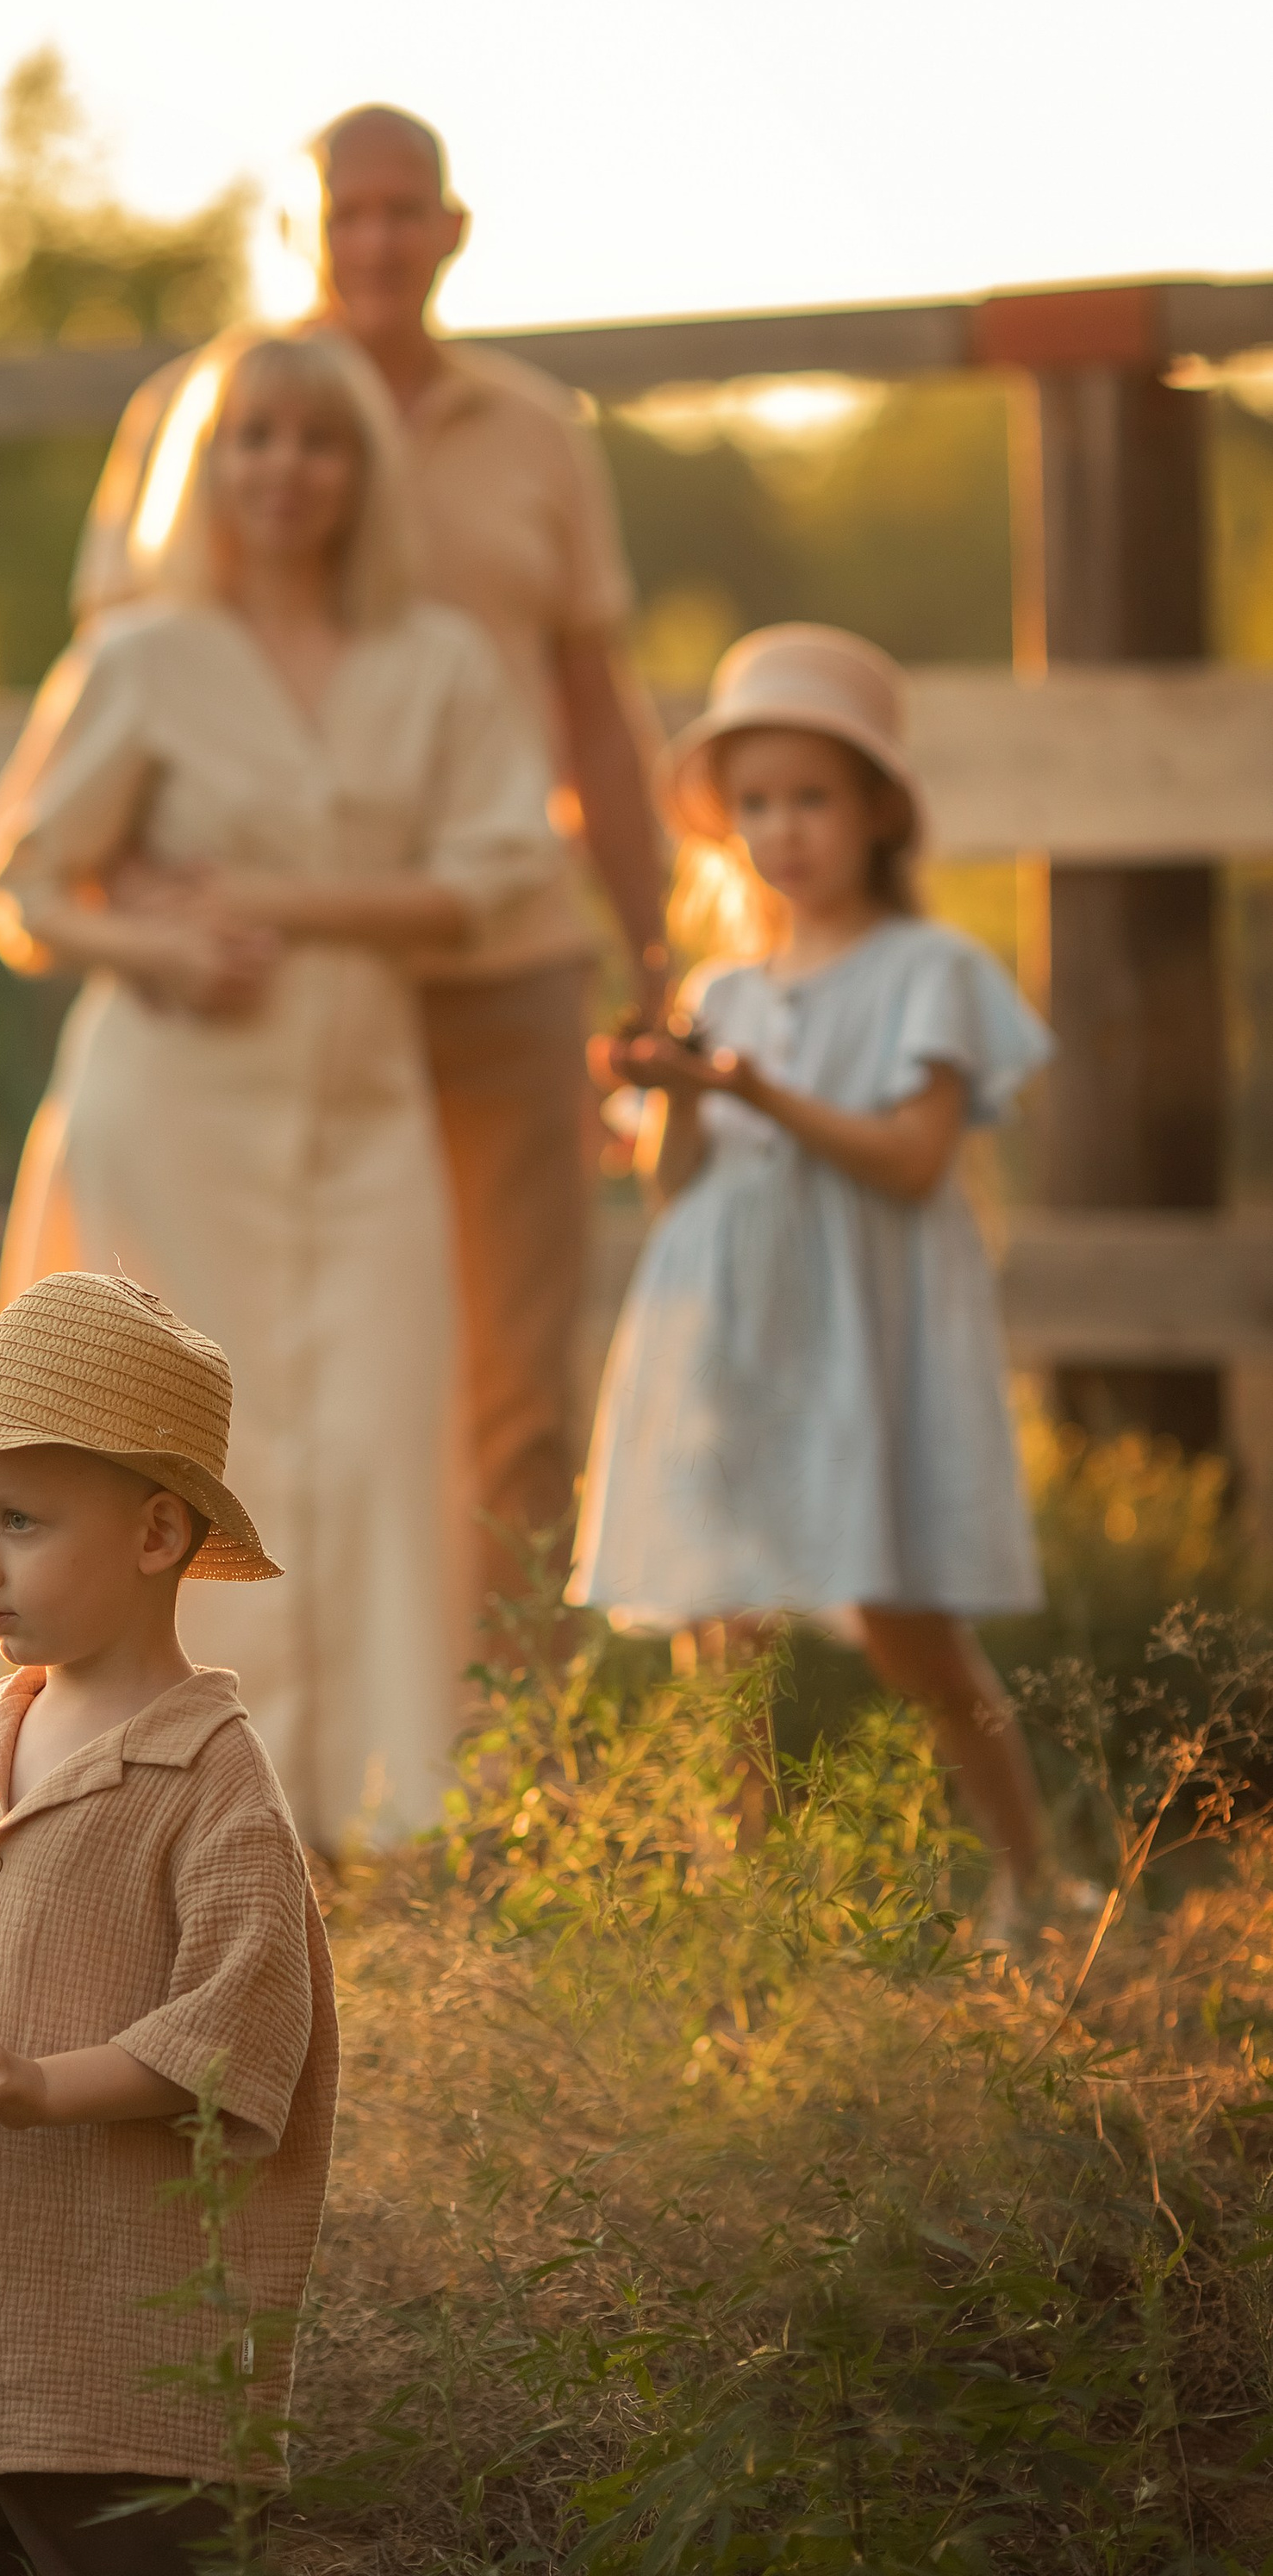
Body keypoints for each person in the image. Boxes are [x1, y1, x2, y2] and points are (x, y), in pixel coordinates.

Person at [0, 325, 558, 1843]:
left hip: (365, 1117)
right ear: (208, 466)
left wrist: (279, 904)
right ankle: (138, 1801)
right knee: (166, 1454)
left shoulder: (438, 662)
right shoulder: (142, 658)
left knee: (372, 1443)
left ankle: (365, 1815)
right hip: (171, 1112)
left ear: (366, 471)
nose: (288, 470)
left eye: (322, 440)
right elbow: (19, 884)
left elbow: (498, 875)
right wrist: (155, 944)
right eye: (256, 439)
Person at [72, 103, 666, 1607]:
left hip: (500, 957)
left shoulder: (535, 433)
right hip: (277, 994)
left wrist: (653, 953)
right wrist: (143, 909)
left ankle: (503, 1720)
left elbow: (599, 709)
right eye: (348, 213)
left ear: (454, 231)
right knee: (281, 1376)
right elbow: (118, 687)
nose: (378, 241)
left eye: (407, 212)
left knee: (513, 1381)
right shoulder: (199, 411)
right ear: (299, 232)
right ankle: (269, 1703)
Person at [0, 1269, 338, 2576]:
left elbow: (242, 2029)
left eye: (20, 1521)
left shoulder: (210, 1776)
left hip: (111, 2340)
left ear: (157, 1534)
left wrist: (46, 2084)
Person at [569, 623, 1054, 1914]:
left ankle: (1030, 1874)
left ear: (878, 808)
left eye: (812, 799)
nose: (782, 830)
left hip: (857, 1340)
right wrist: (676, 1090)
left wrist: (760, 1093)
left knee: (905, 1620)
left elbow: (912, 1161)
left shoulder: (927, 972)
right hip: (728, 1327)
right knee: (721, 1617)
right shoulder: (724, 990)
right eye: (757, 804)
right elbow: (675, 1182)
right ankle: (741, 1890)